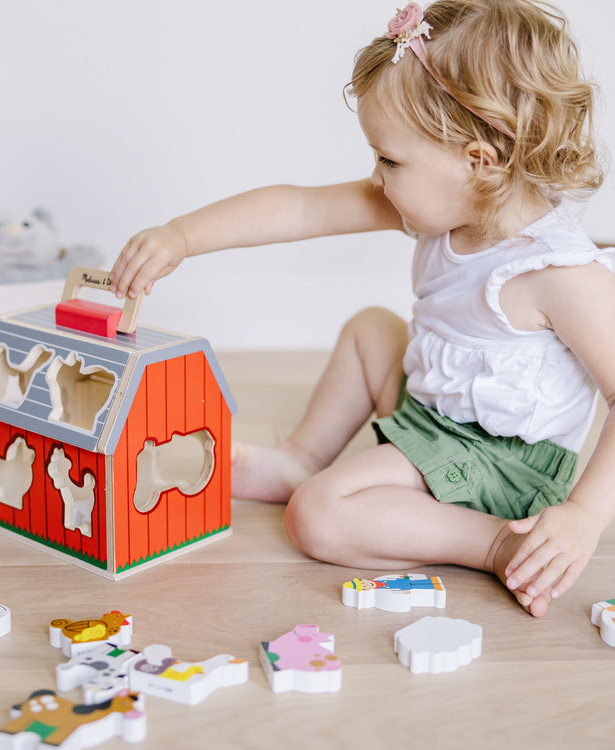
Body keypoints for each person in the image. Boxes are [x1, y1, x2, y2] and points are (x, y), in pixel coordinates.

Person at [110, 0, 614, 617]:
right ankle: (303, 455)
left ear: (479, 163)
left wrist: (584, 516)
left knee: (318, 514)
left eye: (390, 160)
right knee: (371, 328)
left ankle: (492, 547)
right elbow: (301, 208)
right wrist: (181, 236)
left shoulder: (558, 273)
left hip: (503, 469)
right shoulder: (454, 206)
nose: (376, 178)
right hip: (439, 417)